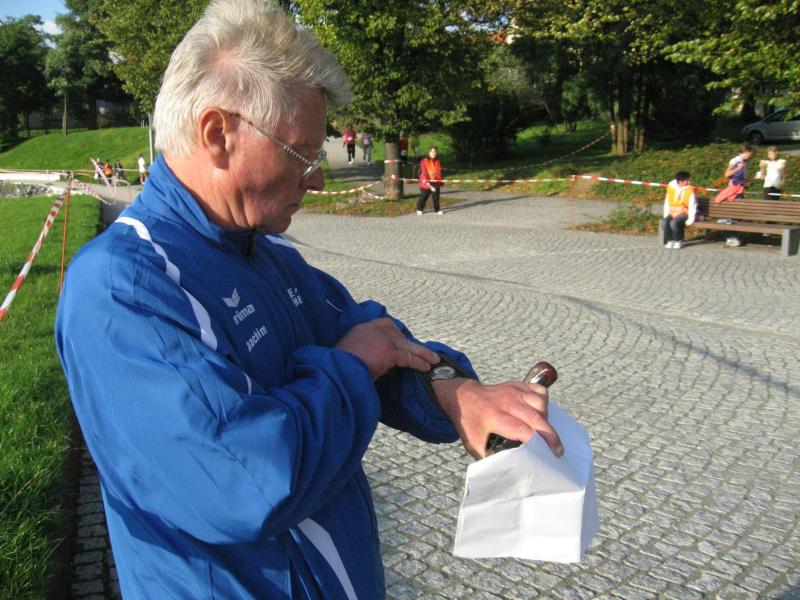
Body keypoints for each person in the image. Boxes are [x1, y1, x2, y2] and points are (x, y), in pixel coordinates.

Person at [55, 2, 563, 598]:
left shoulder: (264, 249)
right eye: (303, 155)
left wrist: (456, 392)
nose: (318, 179)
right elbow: (243, 482)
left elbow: (373, 336)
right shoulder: (121, 288)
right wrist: (351, 366)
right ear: (218, 134)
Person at [661, 171, 697, 249]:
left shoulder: (689, 190)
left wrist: (691, 219)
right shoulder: (671, 188)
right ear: (681, 181)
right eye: (687, 180)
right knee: (664, 222)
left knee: (674, 223)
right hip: (673, 212)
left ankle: (678, 241)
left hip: (685, 212)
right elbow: (667, 202)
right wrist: (666, 214)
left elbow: (693, 205)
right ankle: (670, 240)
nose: (689, 181)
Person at [416, 146, 444, 215]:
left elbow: (439, 172)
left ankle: (437, 210)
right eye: (432, 152)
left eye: (435, 152)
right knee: (424, 195)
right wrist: (428, 182)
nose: (433, 153)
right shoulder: (424, 161)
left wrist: (440, 181)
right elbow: (424, 172)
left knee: (436, 196)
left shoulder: (437, 162)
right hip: (425, 182)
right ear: (429, 153)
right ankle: (419, 209)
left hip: (435, 182)